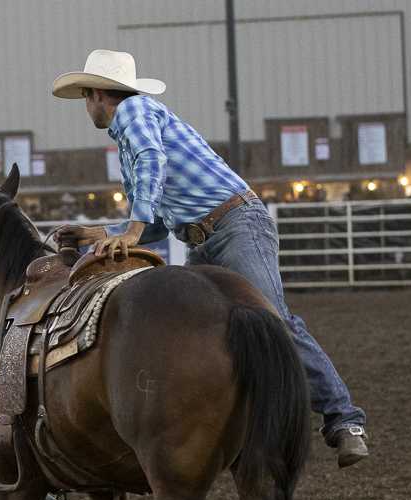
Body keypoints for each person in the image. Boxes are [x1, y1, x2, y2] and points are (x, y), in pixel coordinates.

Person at [51, 49, 367, 467]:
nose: (86, 107)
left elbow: (151, 165)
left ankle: (344, 419)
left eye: (85, 99)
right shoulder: (139, 128)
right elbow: (161, 220)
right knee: (195, 329)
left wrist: (129, 230)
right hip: (214, 231)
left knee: (272, 319)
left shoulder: (132, 114)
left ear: (96, 95)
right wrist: (114, 233)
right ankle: (230, 422)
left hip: (236, 225)